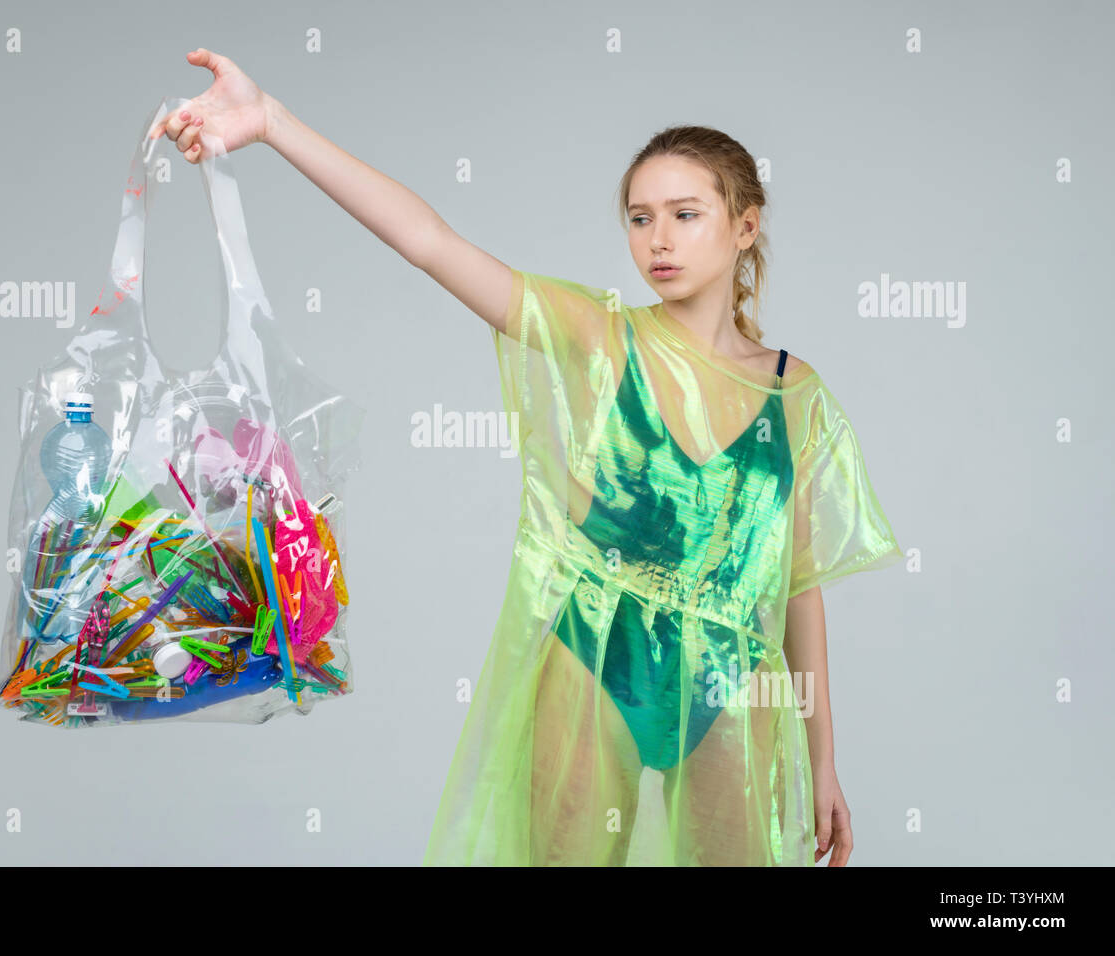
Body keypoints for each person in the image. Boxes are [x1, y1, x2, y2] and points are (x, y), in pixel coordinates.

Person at [156, 48, 904, 866]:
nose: (658, 238)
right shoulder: (601, 335)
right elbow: (429, 241)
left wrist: (823, 759)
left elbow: (798, 588)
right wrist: (270, 122)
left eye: (685, 214)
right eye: (639, 215)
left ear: (745, 225)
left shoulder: (798, 398)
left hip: (733, 685)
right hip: (595, 659)